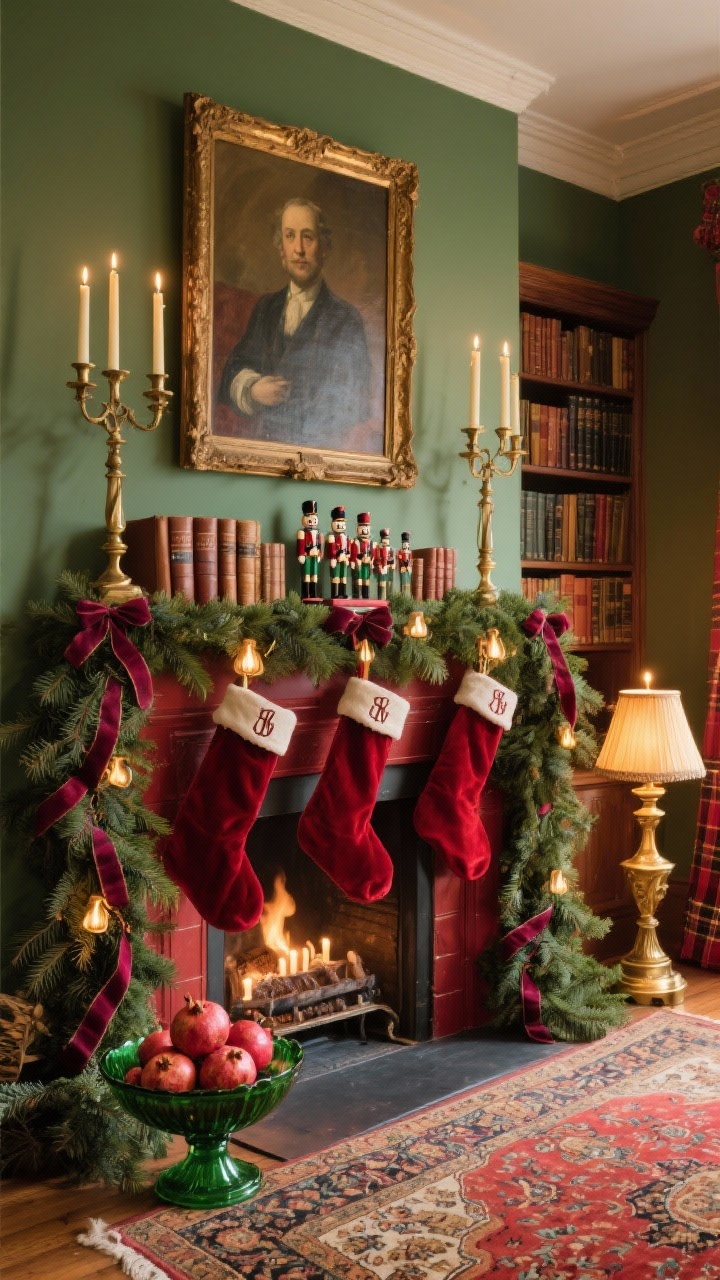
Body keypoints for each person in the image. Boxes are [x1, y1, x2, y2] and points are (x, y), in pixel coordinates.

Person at [218, 198, 372, 448]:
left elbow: (355, 404)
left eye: (308, 237)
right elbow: (232, 370)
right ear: (281, 248)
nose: (298, 249)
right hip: (260, 453)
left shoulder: (346, 320)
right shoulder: (266, 308)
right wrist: (252, 389)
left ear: (324, 247)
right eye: (290, 236)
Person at [296, 499, 324, 599]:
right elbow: (301, 544)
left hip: (315, 557)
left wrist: (320, 554)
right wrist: (301, 554)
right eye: (309, 517)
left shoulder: (318, 533)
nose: (312, 520)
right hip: (307, 557)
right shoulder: (302, 533)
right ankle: (305, 594)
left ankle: (313, 593)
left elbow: (320, 545)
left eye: (314, 517)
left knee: (314, 576)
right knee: (306, 575)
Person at [325, 505, 349, 600]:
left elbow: (348, 548)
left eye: (342, 522)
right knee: (335, 576)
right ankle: (335, 593)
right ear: (333, 523)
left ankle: (343, 593)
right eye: (338, 522)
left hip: (344, 559)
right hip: (335, 559)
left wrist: (347, 555)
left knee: (343, 576)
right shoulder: (331, 537)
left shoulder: (345, 536)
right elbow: (330, 549)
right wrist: (334, 556)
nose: (341, 524)